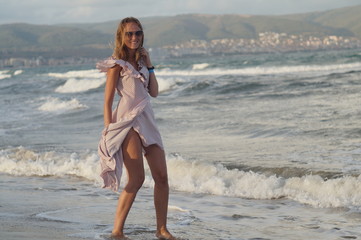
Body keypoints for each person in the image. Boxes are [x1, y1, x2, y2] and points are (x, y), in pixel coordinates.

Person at [96, 17, 176, 240]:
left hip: (147, 119)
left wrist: (149, 65)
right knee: (137, 178)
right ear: (121, 36)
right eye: (129, 34)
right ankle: (117, 231)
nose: (134, 37)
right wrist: (107, 130)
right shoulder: (116, 64)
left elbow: (155, 92)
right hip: (127, 122)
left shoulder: (142, 63)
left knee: (161, 176)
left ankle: (161, 230)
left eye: (138, 33)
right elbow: (107, 101)